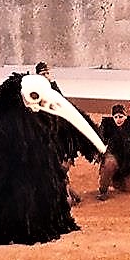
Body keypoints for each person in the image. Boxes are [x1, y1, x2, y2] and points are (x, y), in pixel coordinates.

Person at [36, 60, 84, 205]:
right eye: (42, 74)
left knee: (59, 167)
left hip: (58, 137)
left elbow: (63, 108)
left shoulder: (55, 90)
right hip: (42, 137)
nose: (45, 76)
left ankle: (66, 192)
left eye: (47, 73)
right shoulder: (33, 93)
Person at [96, 104, 130, 201]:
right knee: (109, 164)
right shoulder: (107, 125)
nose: (118, 119)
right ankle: (103, 190)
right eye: (115, 117)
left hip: (127, 158)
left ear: (125, 116)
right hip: (113, 154)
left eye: (121, 116)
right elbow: (101, 140)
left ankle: (116, 180)